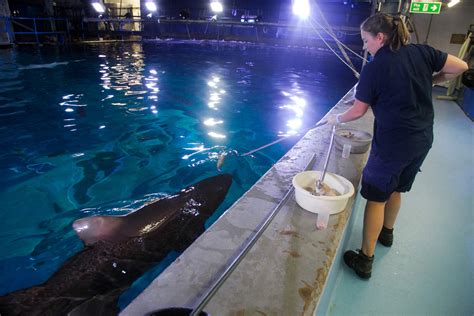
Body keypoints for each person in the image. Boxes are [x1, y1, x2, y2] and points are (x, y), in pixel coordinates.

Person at [327, 13, 468, 279]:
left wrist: (336, 119)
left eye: (366, 40)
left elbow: (358, 111)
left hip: (393, 145)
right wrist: (433, 81)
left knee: (376, 198)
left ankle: (365, 259)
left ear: (380, 37)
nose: (365, 46)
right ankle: (387, 234)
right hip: (422, 138)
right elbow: (460, 66)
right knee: (398, 189)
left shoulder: (374, 68)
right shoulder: (421, 52)